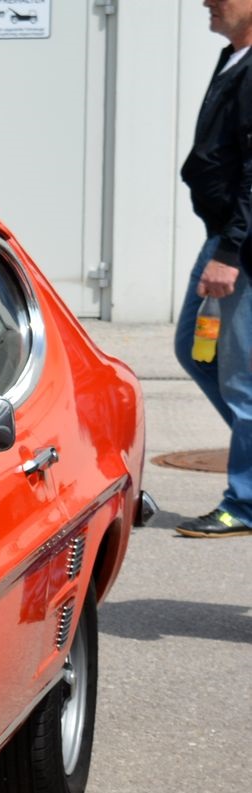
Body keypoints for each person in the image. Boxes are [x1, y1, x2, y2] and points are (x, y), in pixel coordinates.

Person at [173, 0, 252, 537]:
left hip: (239, 246)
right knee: (193, 350)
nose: (206, 1)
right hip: (224, 237)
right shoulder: (234, 57)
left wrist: (231, 252)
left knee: (241, 379)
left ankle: (244, 502)